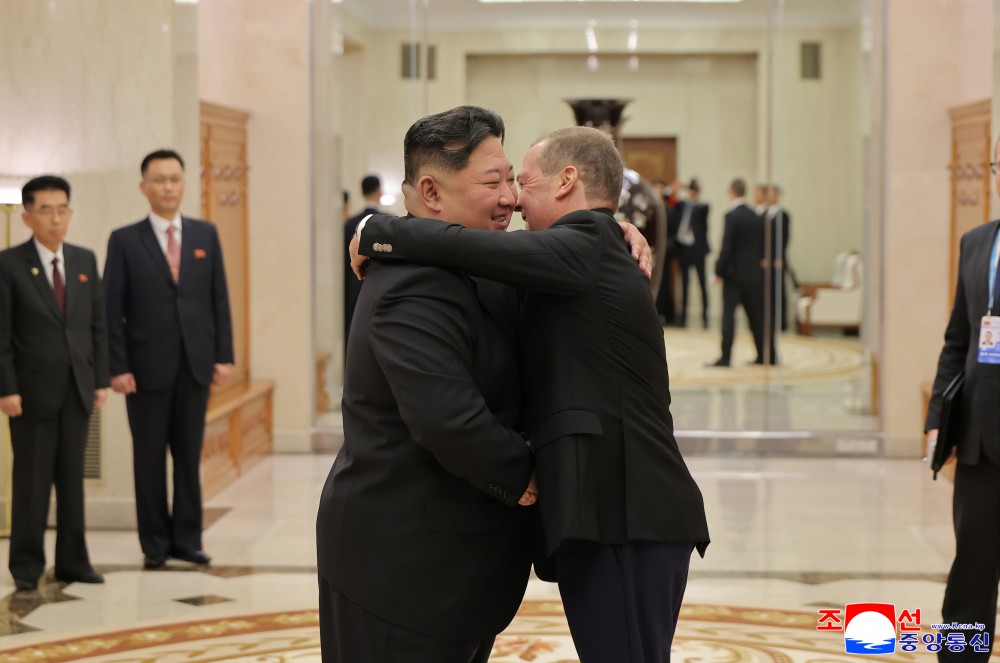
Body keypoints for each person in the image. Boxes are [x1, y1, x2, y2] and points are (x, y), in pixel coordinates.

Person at [353, 126, 709, 663]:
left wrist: (375, 230)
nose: (515, 200)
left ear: (567, 181)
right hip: (612, 515)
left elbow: (458, 243)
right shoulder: (586, 249)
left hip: (626, 514)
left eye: (524, 182)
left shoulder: (586, 242)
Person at [316, 106, 538, 663]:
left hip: (455, 572)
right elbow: (448, 419)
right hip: (401, 573)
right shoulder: (411, 285)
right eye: (492, 182)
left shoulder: (473, 262)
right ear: (432, 192)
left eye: (511, 179)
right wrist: (531, 474)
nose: (510, 198)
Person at [103, 149, 234, 570]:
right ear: (144, 187)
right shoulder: (125, 240)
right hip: (144, 370)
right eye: (159, 180)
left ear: (183, 184)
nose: (167, 187)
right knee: (148, 459)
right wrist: (117, 367)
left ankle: (188, 540)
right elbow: (111, 310)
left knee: (188, 456)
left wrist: (223, 355)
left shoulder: (205, 234)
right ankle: (155, 544)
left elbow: (219, 299)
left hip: (195, 364)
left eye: (174, 179)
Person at [0, 176, 109, 592]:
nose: (56, 218)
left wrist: (99, 379)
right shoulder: (9, 264)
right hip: (29, 394)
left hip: (77, 389)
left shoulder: (84, 260)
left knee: (71, 481)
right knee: (31, 483)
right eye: (45, 210)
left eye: (62, 209)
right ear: (27, 216)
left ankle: (73, 562)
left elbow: (96, 326)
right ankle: (26, 566)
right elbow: (1, 335)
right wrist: (6, 388)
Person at [924, 156, 999, 662]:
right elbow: (958, 340)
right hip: (978, 444)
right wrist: (938, 421)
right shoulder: (976, 243)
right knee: (971, 568)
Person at [710, 178, 768, 366]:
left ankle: (725, 357)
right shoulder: (756, 216)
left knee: (728, 317)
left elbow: (727, 247)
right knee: (756, 318)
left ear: (731, 192)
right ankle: (765, 355)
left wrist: (718, 271)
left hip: (733, 277)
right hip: (754, 276)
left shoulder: (731, 215)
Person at [343, 174, 381, 347]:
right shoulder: (388, 221)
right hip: (379, 286)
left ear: (361, 192)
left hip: (352, 285)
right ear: (379, 191)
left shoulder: (350, 224)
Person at [675, 178, 711, 328]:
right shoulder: (682, 205)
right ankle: (683, 316)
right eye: (691, 189)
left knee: (702, 283)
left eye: (695, 190)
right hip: (684, 248)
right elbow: (669, 199)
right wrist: (680, 187)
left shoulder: (703, 207)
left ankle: (705, 315)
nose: (693, 192)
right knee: (685, 283)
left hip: (698, 250)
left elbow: (704, 215)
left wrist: (695, 200)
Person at [765, 184, 792, 334]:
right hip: (766, 260)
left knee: (779, 290)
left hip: (778, 259)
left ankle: (782, 322)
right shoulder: (765, 213)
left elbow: (785, 238)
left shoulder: (783, 214)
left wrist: (779, 257)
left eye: (772, 194)